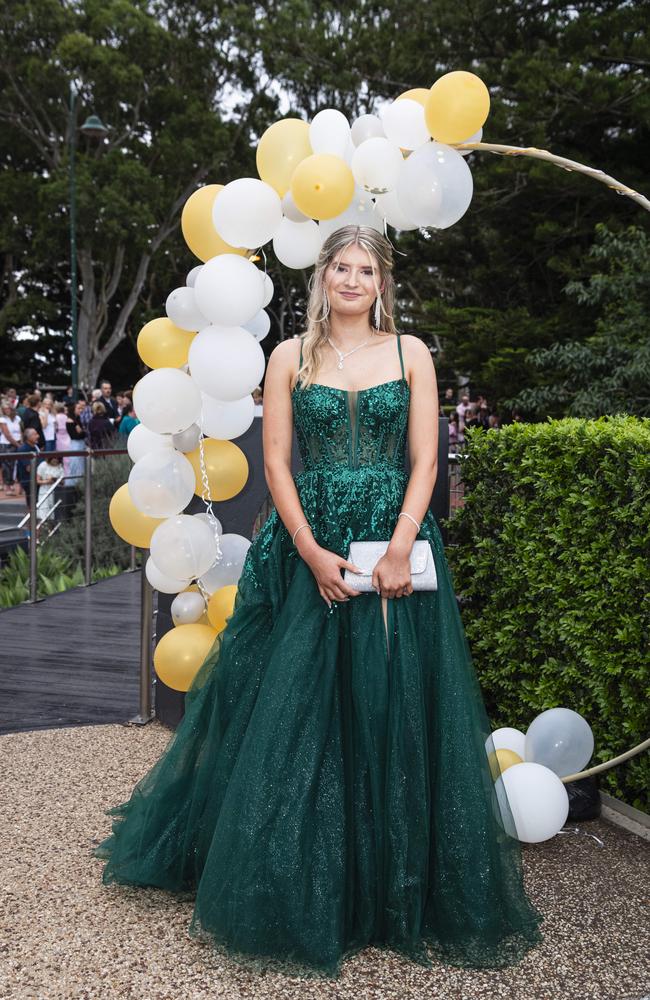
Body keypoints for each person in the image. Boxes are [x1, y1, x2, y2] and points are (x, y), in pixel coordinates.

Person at [93, 226, 544, 978]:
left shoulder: (412, 354)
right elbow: (275, 462)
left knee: (393, 700)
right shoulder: (288, 358)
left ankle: (391, 883)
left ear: (382, 282)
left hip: (394, 543)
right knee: (300, 705)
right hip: (309, 542)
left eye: (367, 270)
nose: (353, 280)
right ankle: (302, 881)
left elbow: (426, 458)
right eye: (342, 267)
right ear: (323, 276)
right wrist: (307, 551)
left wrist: (401, 545)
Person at [0, 398, 23, 495]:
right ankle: (8, 486)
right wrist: (18, 444)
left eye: (8, 408)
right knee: (7, 466)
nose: (7, 410)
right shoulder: (2, 419)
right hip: (6, 444)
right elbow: (7, 434)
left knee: (16, 465)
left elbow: (21, 431)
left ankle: (15, 484)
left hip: (18, 442)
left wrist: (21, 442)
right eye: (5, 408)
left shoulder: (18, 418)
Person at [16, 428, 41, 507]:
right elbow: (28, 468)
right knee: (32, 502)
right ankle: (31, 517)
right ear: (28, 437)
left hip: (37, 478)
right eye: (35, 434)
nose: (38, 436)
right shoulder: (23, 449)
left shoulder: (36, 447)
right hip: (28, 480)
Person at [36, 454, 64, 522]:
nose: (55, 460)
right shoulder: (43, 465)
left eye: (57, 458)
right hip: (44, 490)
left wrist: (55, 479)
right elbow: (37, 481)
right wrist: (47, 481)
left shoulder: (60, 467)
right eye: (54, 458)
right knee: (44, 509)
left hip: (55, 491)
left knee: (53, 512)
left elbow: (63, 482)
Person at [65, 401, 88, 486]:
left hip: (80, 443)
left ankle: (80, 483)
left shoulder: (77, 419)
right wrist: (82, 432)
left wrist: (82, 432)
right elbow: (76, 435)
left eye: (81, 408)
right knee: (75, 464)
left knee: (81, 465)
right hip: (76, 444)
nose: (80, 410)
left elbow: (83, 433)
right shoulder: (70, 421)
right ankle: (72, 484)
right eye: (78, 408)